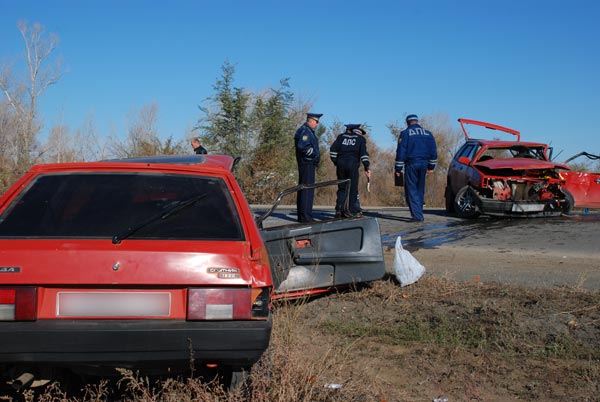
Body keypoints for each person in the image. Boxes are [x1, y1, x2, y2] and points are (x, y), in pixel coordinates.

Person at [395, 114, 437, 221]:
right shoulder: (428, 134)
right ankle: (419, 211)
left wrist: (398, 169)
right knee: (420, 188)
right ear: (417, 122)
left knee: (411, 189)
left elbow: (401, 151)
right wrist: (431, 166)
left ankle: (418, 216)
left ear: (407, 123)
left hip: (411, 164)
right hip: (424, 164)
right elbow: (433, 151)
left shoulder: (405, 134)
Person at [330, 124, 371, 218]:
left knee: (342, 188)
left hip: (340, 165)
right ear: (359, 133)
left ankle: (339, 210)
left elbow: (332, 151)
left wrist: (337, 162)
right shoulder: (360, 139)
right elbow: (364, 155)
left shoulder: (341, 137)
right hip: (352, 165)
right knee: (352, 189)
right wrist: (366, 167)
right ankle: (350, 211)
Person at [294, 112, 322, 222]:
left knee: (304, 189)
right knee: (307, 191)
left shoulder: (308, 131)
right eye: (316, 121)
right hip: (307, 163)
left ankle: (303, 216)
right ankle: (306, 217)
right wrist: (314, 153)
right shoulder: (305, 131)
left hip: (307, 163)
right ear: (310, 120)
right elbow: (303, 147)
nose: (317, 124)